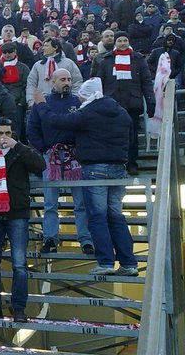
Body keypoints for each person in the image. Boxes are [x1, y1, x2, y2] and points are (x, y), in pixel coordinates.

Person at [33, 78, 138, 276]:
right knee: (116, 216)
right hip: (119, 169)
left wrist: (41, 104)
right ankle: (129, 263)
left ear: (88, 95)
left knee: (98, 217)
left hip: (95, 169)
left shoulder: (88, 113)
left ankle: (106, 262)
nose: (80, 100)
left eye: (82, 96)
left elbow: (55, 121)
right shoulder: (122, 112)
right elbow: (132, 139)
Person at [0, 118, 45, 321]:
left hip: (17, 212)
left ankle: (19, 308)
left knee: (19, 263)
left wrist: (18, 146)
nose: (4, 137)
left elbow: (40, 165)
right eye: (0, 133)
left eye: (8, 133)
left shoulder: (19, 151)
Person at [27, 69, 93, 254]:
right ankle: (50, 238)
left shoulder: (78, 102)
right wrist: (44, 149)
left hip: (74, 156)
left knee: (81, 202)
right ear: (53, 81)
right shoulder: (43, 103)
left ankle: (86, 240)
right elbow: (32, 129)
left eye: (69, 79)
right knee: (50, 202)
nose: (67, 83)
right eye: (63, 79)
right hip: (51, 156)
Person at [95, 32, 155, 175]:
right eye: (120, 41)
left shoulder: (138, 59)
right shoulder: (106, 60)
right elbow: (99, 82)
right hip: (111, 103)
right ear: (115, 43)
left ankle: (131, 163)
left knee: (131, 136)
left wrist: (150, 101)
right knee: (112, 134)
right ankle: (115, 162)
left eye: (125, 40)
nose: (122, 43)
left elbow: (146, 82)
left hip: (132, 103)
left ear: (129, 42)